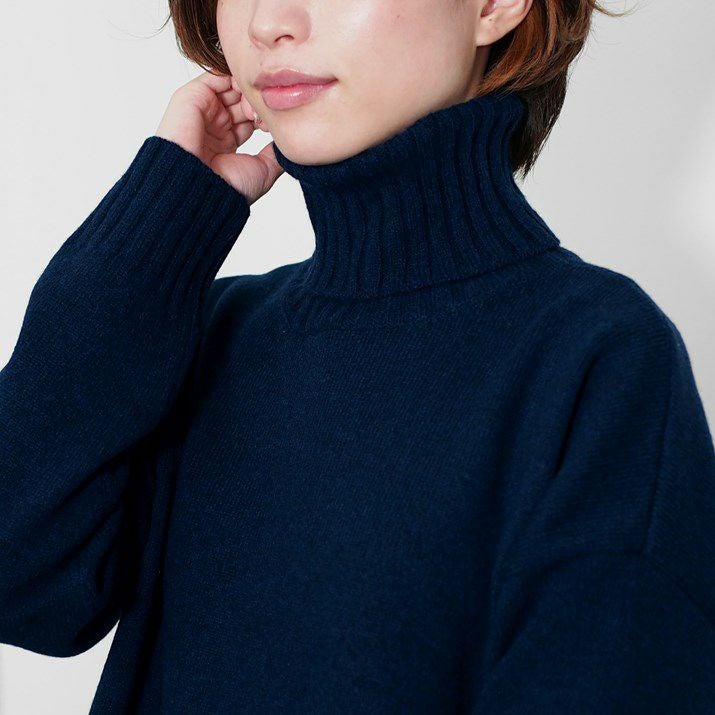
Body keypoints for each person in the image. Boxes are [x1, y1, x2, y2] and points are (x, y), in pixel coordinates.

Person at [1, 0, 714, 711]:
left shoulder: (595, 355)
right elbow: (21, 584)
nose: (268, 22)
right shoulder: (208, 334)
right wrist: (160, 222)